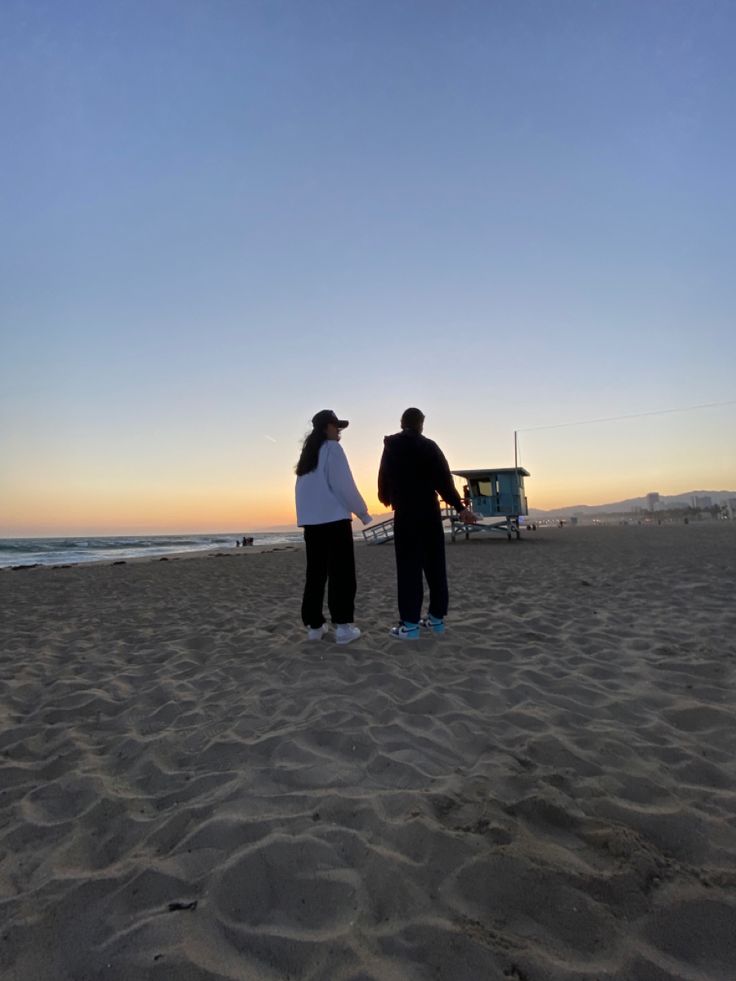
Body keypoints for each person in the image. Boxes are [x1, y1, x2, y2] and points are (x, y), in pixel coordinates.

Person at [378, 407, 477, 639]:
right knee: (435, 567)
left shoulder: (392, 446)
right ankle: (436, 620)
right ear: (421, 424)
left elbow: (384, 476)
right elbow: (444, 481)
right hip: (429, 513)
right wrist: (461, 508)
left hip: (406, 513)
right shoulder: (430, 447)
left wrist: (386, 497)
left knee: (408, 569)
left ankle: (410, 625)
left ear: (402, 422)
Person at [295, 409, 372, 644]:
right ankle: (343, 627)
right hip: (334, 521)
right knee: (342, 574)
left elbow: (301, 492)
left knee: (316, 574)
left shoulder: (308, 455)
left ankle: (315, 626)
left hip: (312, 523)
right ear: (327, 427)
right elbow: (343, 485)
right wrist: (362, 512)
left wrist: (306, 517)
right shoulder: (332, 449)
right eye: (336, 426)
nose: (339, 430)